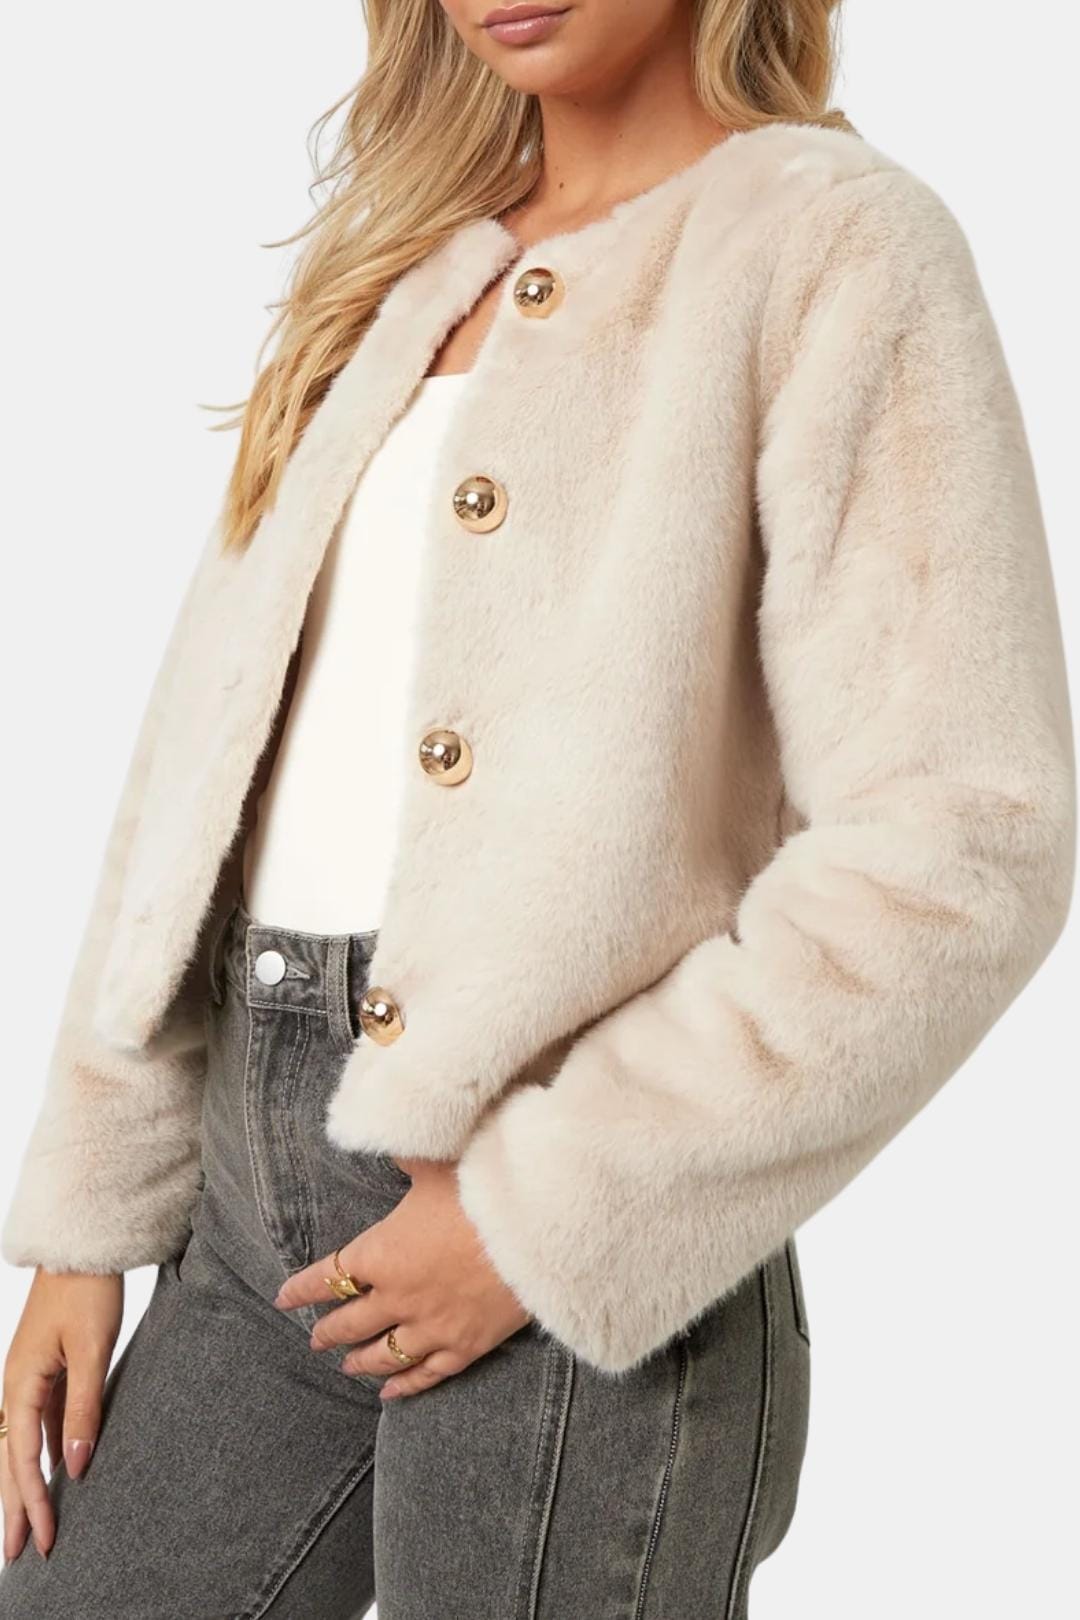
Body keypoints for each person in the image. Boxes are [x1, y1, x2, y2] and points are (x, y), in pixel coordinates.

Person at [0, 0, 1073, 1614]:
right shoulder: (408, 268)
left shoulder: (831, 245)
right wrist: (90, 1218)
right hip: (247, 1203)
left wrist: (547, 1216)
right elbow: (202, 769)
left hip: (579, 1259)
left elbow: (964, 833)